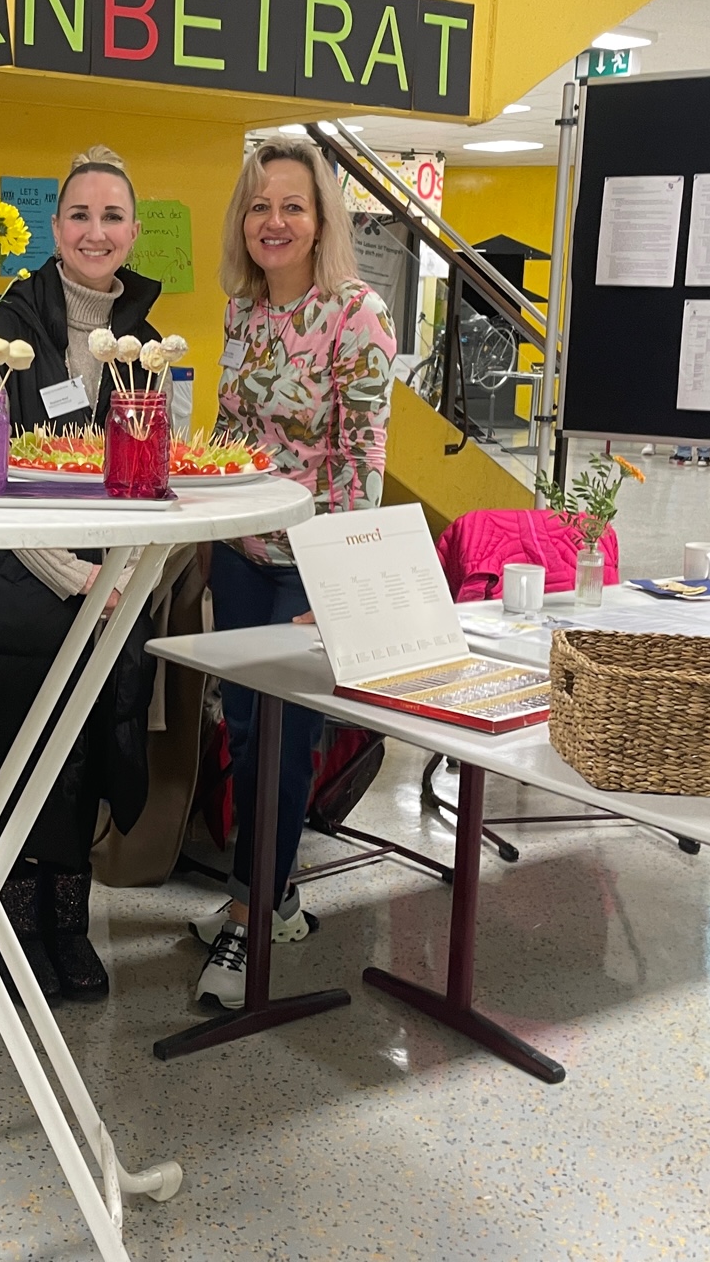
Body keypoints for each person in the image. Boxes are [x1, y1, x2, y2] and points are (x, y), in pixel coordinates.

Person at [0, 145, 162, 1005]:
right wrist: (76, 575)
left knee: (79, 756)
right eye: (79, 215)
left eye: (112, 216)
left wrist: (122, 577)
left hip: (105, 591)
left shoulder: (146, 331)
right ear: (54, 227)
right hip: (12, 589)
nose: (95, 231)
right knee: (7, 759)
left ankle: (69, 921)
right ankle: (13, 920)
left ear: (132, 231)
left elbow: (157, 464)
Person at [195, 134, 396, 1011]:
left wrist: (340, 585)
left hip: (310, 562)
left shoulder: (357, 314)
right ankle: (274, 895)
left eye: (292, 206)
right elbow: (232, 429)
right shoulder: (243, 312)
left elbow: (363, 457)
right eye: (260, 205)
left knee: (286, 743)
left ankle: (248, 912)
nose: (274, 221)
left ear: (321, 222)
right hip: (242, 551)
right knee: (243, 733)